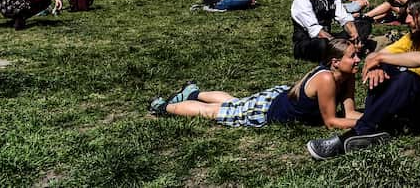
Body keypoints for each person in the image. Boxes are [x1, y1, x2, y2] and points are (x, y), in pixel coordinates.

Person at [306, 0, 420, 158]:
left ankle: (357, 133)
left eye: (412, 15)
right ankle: (375, 125)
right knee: (385, 69)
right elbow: (374, 56)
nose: (407, 20)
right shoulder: (415, 37)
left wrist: (380, 58)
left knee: (407, 78)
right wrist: (376, 66)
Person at [150, 37, 362, 131]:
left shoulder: (346, 75)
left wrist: (379, 116)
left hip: (277, 98)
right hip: (267, 110)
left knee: (235, 104)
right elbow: (332, 122)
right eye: (352, 56)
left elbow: (350, 113)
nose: (357, 60)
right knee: (216, 112)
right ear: (335, 62)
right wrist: (371, 122)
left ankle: (194, 92)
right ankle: (163, 107)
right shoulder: (326, 79)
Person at [291, 0, 365, 62]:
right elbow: (315, 31)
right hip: (309, 42)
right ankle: (345, 51)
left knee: (363, 26)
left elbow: (344, 18)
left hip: (328, 38)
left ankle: (349, 48)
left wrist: (354, 34)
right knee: (322, 43)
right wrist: (340, 45)